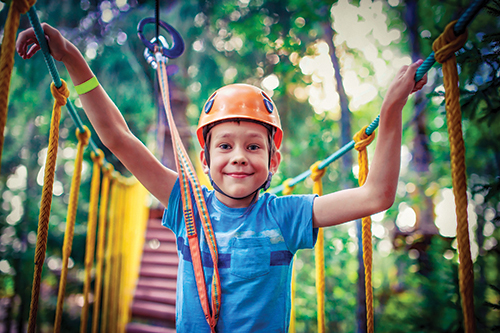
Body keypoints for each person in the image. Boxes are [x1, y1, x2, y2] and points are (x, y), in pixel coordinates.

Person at [17, 23, 427, 332]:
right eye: (225, 146)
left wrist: (391, 108)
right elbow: (117, 137)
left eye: (253, 146)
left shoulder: (286, 216)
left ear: (274, 159)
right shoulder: (186, 206)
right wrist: (71, 55)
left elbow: (376, 196)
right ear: (204, 157)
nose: (239, 158)